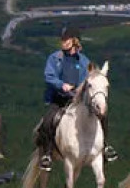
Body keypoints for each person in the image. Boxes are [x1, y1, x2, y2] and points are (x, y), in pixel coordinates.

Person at [33, 26, 91, 170]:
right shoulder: (55, 57)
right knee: (47, 121)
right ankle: (47, 154)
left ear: (74, 41)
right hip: (58, 99)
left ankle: (103, 148)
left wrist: (80, 88)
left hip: (77, 100)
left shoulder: (84, 61)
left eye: (66, 39)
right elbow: (49, 76)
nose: (63, 42)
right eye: (62, 39)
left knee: (98, 116)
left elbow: (87, 79)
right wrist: (61, 85)